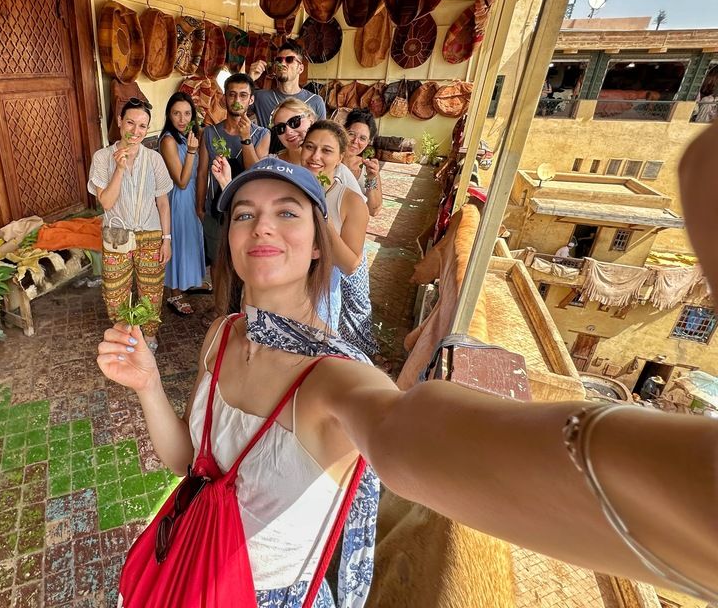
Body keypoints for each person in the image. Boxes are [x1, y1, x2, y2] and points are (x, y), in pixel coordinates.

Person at [99, 142, 718, 605]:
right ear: (230, 240)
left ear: (319, 242)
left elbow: (404, 430)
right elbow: (189, 463)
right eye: (243, 214)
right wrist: (151, 386)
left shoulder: (333, 381)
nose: (261, 225)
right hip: (187, 573)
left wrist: (676, 493)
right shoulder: (223, 335)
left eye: (288, 212)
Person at [88, 97, 173, 351]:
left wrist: (166, 240)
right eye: (130, 123)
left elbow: (163, 204)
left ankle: (148, 335)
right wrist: (120, 168)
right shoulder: (103, 158)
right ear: (119, 121)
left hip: (151, 235)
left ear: (148, 129)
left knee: (151, 291)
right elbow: (106, 202)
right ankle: (124, 335)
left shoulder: (154, 159)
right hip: (117, 235)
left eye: (143, 126)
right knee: (115, 293)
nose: (135, 131)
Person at [301, 121, 371, 352]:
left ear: (341, 157)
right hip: (282, 288)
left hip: (319, 294)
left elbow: (350, 265)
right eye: (309, 147)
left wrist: (325, 220)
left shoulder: (351, 202)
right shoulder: (289, 189)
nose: (315, 156)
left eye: (326, 150)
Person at [197, 73, 270, 266]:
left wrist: (246, 138)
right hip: (216, 210)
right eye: (232, 94)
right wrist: (199, 208)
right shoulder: (209, 132)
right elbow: (202, 173)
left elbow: (256, 172)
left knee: (244, 264)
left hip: (248, 212)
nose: (237, 100)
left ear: (251, 99)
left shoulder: (262, 134)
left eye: (243, 95)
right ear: (224, 98)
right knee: (217, 263)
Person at [159, 93, 208, 316]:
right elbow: (180, 180)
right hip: (178, 199)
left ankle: (190, 282)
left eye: (187, 113)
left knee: (191, 241)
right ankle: (174, 293)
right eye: (176, 113)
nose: (182, 118)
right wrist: (190, 152)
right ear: (169, 115)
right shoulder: (168, 140)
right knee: (178, 244)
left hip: (192, 197)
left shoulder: (188, 135)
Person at [271, 98, 362, 197]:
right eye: (280, 128)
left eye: (294, 122)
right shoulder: (270, 165)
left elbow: (360, 206)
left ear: (311, 119)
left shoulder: (336, 169)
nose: (288, 131)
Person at [247, 42, 327, 134]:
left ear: (300, 68)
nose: (283, 63)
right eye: (279, 60)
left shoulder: (315, 102)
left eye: (289, 60)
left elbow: (321, 136)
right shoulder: (260, 97)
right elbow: (233, 107)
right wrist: (249, 79)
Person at [342, 109, 383, 217]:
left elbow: (374, 211)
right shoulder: (328, 160)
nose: (355, 141)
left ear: (368, 142)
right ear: (343, 131)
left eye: (362, 138)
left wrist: (371, 178)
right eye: (351, 134)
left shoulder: (368, 168)